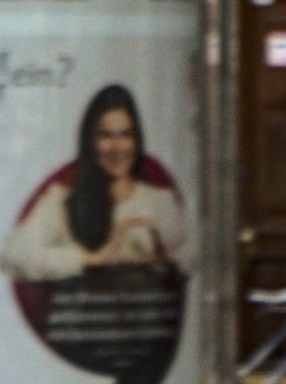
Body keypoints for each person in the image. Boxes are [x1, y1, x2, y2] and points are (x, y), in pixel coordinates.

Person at [3, 83, 193, 282]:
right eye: (105, 136)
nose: (116, 147)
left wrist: (162, 259)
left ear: (137, 140)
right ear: (89, 141)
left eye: (125, 135)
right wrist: (91, 259)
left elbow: (200, 252)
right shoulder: (61, 201)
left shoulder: (160, 202)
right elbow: (14, 254)